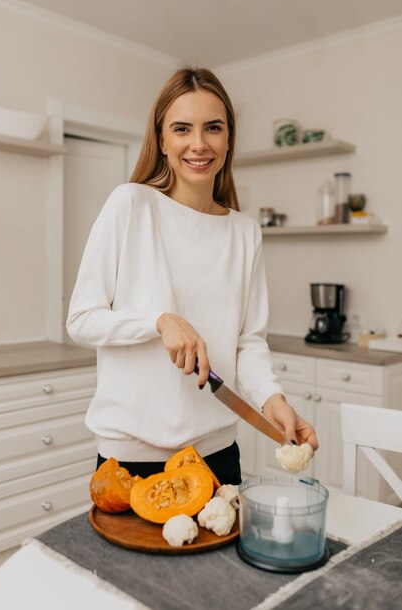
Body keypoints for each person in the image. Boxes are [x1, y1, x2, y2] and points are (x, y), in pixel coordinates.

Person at [67, 66, 318, 485]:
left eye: (213, 128)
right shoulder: (130, 205)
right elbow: (81, 319)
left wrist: (272, 398)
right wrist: (158, 321)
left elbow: (248, 342)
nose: (199, 144)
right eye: (182, 129)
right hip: (130, 461)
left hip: (217, 456)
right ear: (162, 140)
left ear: (228, 139)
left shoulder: (245, 232)